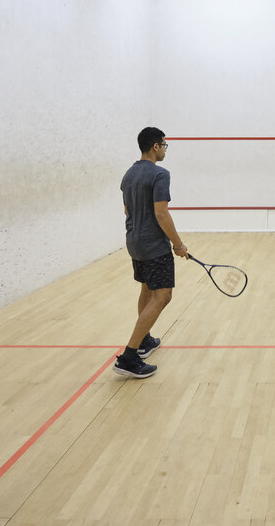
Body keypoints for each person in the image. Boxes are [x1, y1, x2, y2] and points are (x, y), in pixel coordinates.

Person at [113, 127, 189, 378]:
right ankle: (129, 357)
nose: (166, 149)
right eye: (165, 145)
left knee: (147, 288)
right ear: (155, 146)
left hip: (134, 242)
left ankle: (144, 340)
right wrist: (177, 244)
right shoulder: (160, 174)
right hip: (153, 245)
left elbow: (127, 211)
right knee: (162, 296)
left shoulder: (128, 174)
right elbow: (161, 213)